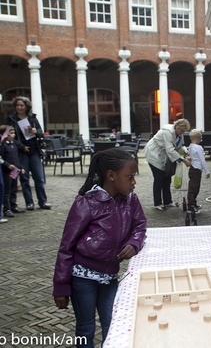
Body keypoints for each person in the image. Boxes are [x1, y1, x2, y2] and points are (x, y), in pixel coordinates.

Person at [53, 149, 147, 348]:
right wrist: (61, 286)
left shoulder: (131, 200)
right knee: (86, 328)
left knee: (113, 325)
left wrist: (134, 243)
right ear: (111, 176)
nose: (133, 182)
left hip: (110, 277)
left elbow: (140, 226)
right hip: (82, 279)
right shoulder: (86, 203)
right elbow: (66, 247)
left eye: (134, 177)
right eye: (129, 177)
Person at [6, 96, 51, 210]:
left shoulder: (32, 118)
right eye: (17, 105)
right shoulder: (11, 119)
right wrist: (21, 146)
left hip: (34, 151)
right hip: (21, 152)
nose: (20, 107)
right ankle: (29, 203)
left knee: (39, 178)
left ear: (26, 106)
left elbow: (41, 133)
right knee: (24, 178)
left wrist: (36, 132)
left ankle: (43, 201)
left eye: (22, 105)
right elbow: (7, 135)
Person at [143, 119, 191, 211]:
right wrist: (184, 160)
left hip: (164, 156)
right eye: (181, 131)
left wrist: (184, 149)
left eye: (184, 132)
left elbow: (179, 146)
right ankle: (158, 203)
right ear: (177, 126)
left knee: (167, 178)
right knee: (159, 179)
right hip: (154, 155)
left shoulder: (179, 134)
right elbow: (169, 149)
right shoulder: (168, 132)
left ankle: (167, 201)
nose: (182, 133)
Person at [0, 125, 25, 217]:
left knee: (14, 189)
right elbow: (1, 158)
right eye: (11, 133)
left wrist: (21, 167)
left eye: (14, 133)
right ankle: (6, 208)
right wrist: (7, 165)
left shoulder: (14, 145)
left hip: (15, 171)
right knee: (7, 190)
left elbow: (17, 158)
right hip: (7, 171)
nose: (13, 135)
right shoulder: (3, 146)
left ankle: (13, 205)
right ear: (5, 134)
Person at [187, 129, 210, 214]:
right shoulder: (198, 148)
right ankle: (191, 206)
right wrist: (207, 171)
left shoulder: (191, 146)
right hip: (197, 169)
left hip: (193, 168)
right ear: (198, 137)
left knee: (193, 187)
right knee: (194, 188)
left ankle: (193, 203)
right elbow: (202, 160)